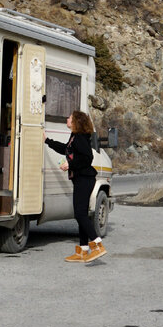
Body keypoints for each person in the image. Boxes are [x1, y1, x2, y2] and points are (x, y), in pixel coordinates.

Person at [44, 109, 106, 263]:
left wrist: (70, 164)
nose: (67, 118)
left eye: (70, 117)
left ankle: (97, 245)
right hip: (81, 179)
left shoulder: (79, 138)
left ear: (75, 121)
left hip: (85, 179)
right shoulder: (74, 137)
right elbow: (65, 149)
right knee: (81, 214)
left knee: (80, 214)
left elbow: (87, 157)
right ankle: (83, 250)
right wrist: (47, 140)